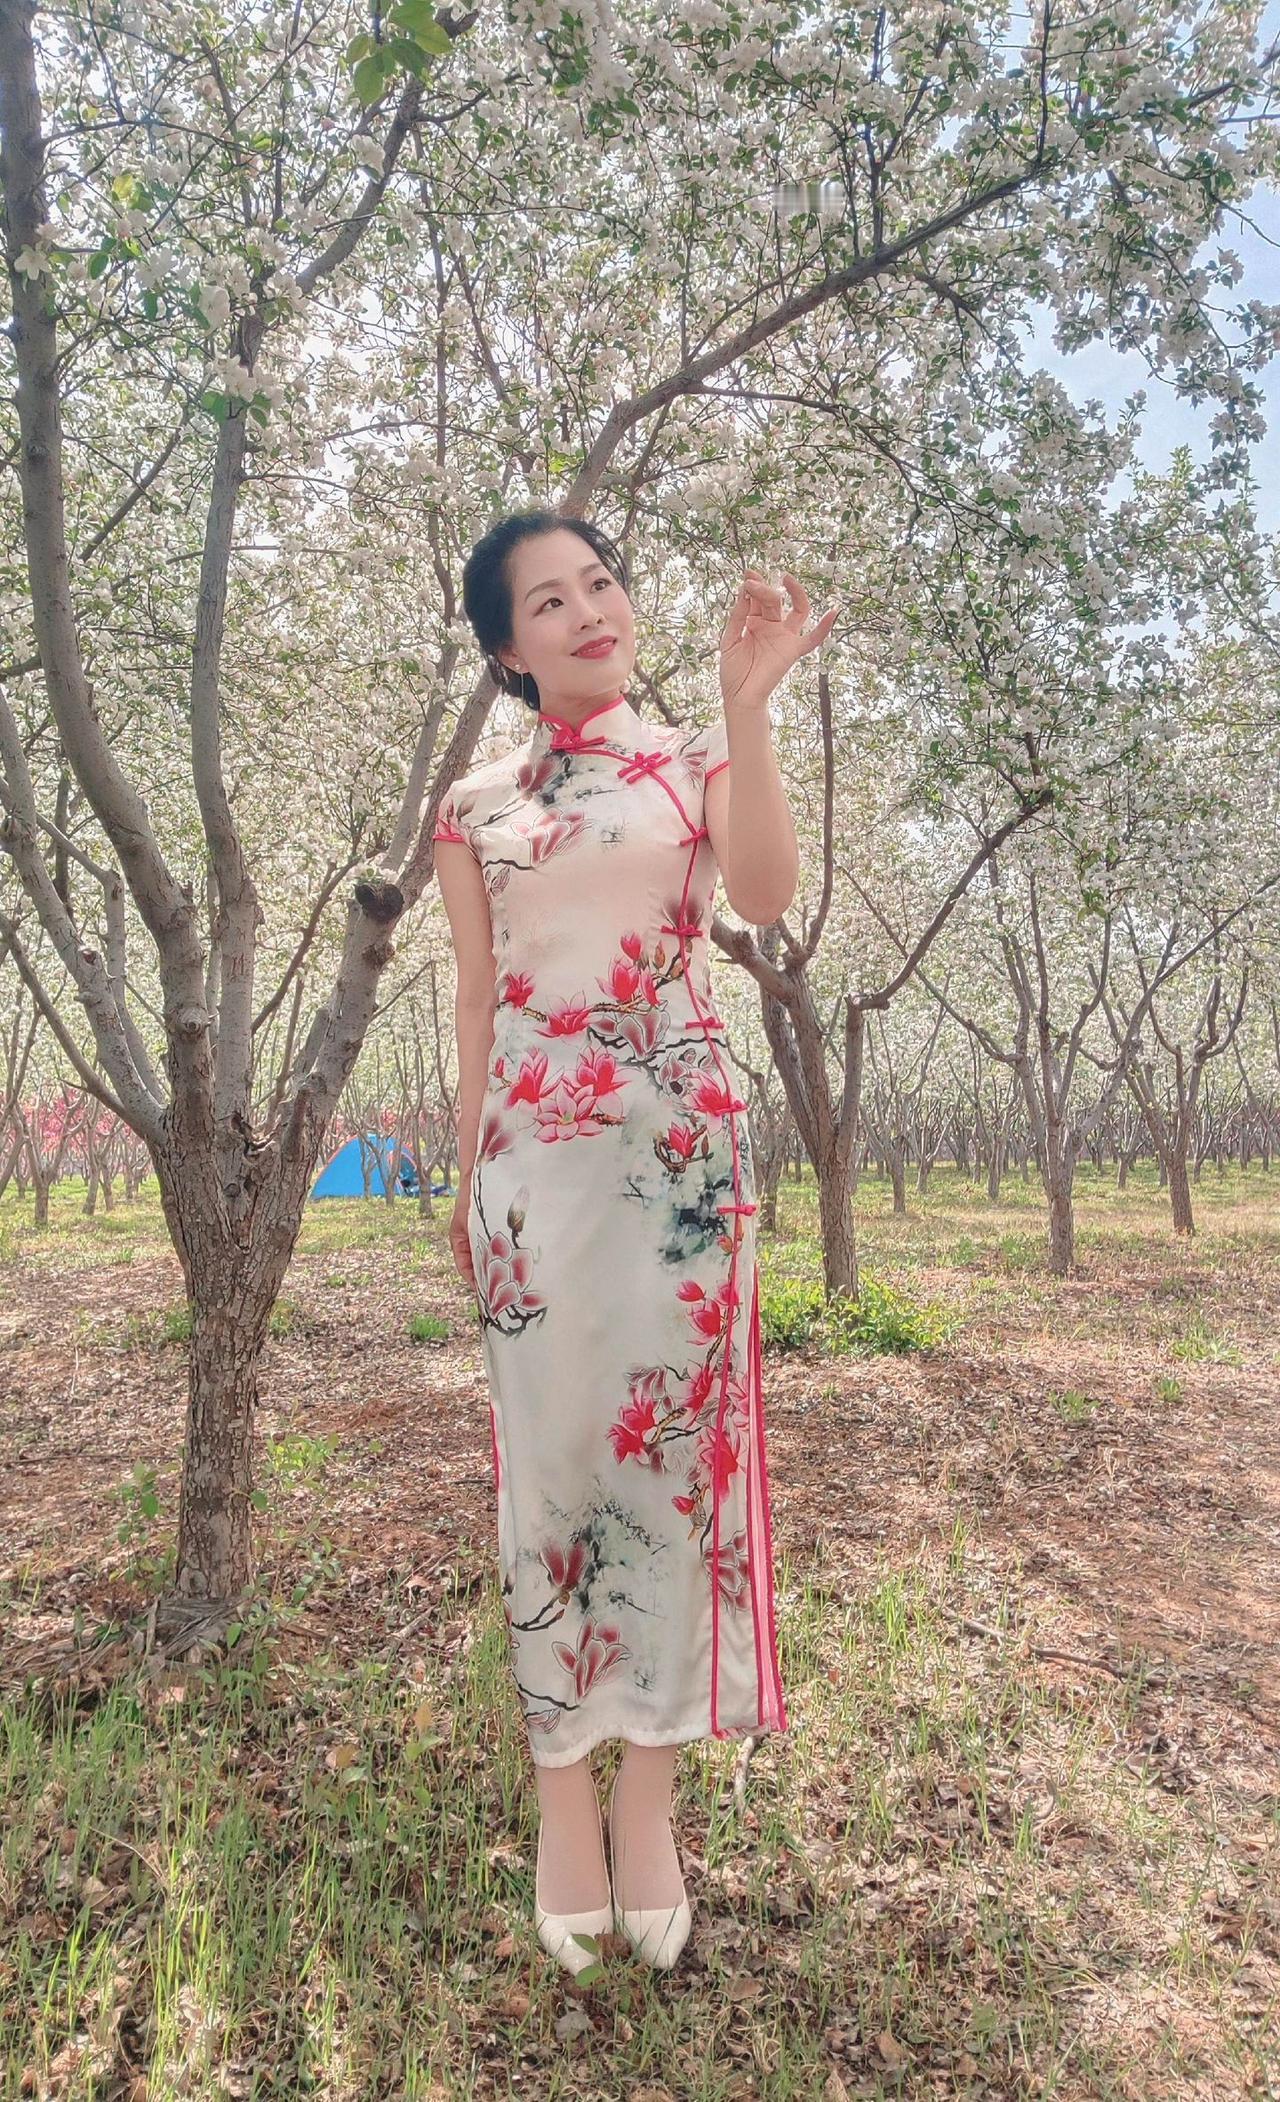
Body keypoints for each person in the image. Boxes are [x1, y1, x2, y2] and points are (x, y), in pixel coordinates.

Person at [432, 508, 836, 1976]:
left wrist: (749, 707)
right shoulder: (474, 804)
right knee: (548, 1473)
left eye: (599, 582)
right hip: (533, 1172)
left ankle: (649, 1797)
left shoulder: (692, 759)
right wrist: (465, 1177)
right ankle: (562, 1786)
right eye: (550, 600)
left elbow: (767, 896)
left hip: (680, 1169)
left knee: (673, 1469)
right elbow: (478, 994)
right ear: (508, 648)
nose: (590, 610)